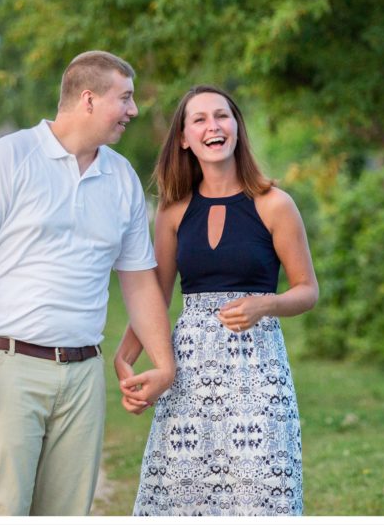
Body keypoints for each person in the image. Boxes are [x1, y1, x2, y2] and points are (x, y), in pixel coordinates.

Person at [0, 50, 176, 516]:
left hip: (83, 374)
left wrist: (164, 364)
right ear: (88, 99)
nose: (133, 110)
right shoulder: (10, 157)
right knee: (1, 509)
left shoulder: (122, 177)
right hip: (6, 367)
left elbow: (139, 282)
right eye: (124, 98)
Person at [114, 84, 319, 516]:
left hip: (257, 372)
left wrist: (266, 304)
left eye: (222, 116)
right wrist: (125, 356)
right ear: (185, 138)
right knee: (183, 494)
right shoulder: (173, 212)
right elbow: (156, 294)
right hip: (189, 372)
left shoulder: (274, 204)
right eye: (200, 119)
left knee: (259, 492)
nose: (214, 126)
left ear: (237, 128)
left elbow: (306, 291)